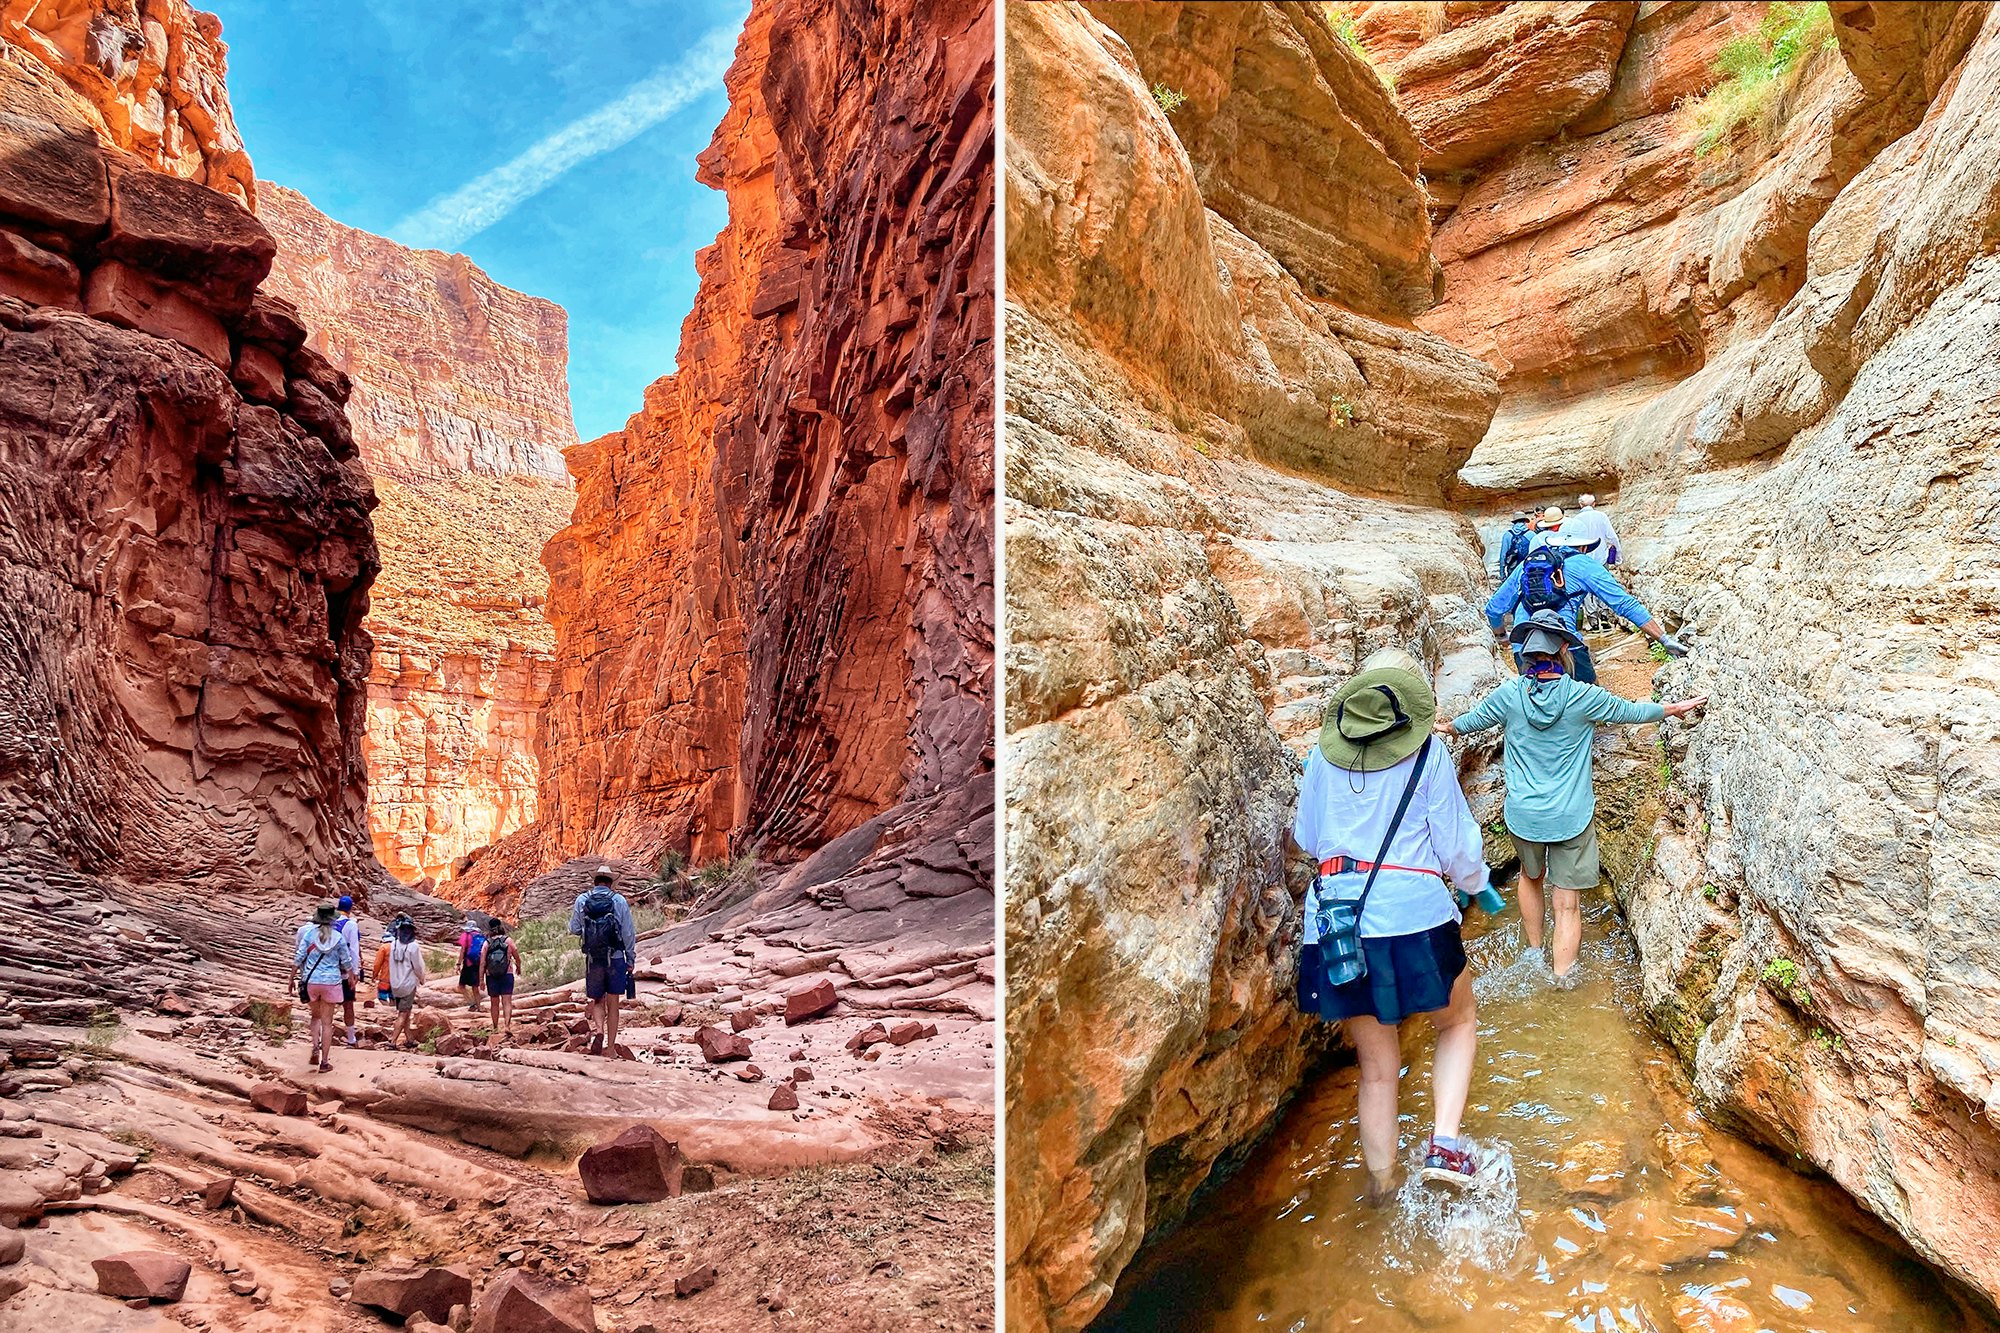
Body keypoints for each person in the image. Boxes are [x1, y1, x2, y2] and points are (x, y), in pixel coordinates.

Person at [1293, 650, 1491, 1199]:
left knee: (1376, 1067)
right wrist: (1477, 886)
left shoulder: (1319, 758)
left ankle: (1382, 1186)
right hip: (1413, 916)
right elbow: (1456, 849)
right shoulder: (1428, 755)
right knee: (1456, 1022)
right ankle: (1445, 1147)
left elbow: (1307, 839)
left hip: (1335, 922)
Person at [1438, 612, 1707, 983]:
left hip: (1524, 815)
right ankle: (1562, 979)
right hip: (1571, 817)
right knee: (1567, 904)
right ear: (1564, 648)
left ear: (1526, 655)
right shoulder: (1584, 697)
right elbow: (1630, 712)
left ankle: (1533, 955)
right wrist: (1674, 708)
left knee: (1531, 878)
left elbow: (1471, 721)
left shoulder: (1508, 697)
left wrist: (1447, 726)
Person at [1486, 538, 1685, 683]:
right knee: (1590, 706)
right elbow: (1624, 604)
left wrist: (1503, 639)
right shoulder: (1585, 564)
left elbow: (1494, 609)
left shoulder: (1527, 565)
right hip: (1565, 649)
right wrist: (1664, 639)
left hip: (1526, 649)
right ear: (1582, 547)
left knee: (1538, 710)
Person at [569, 866, 636, 1056]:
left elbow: (573, 928)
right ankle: (611, 1048)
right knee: (613, 1003)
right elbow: (628, 933)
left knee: (598, 999)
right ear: (611, 883)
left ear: (595, 881)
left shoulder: (582, 900)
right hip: (615, 957)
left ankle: (599, 1031)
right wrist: (630, 958)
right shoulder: (619, 900)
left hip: (593, 959)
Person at [291, 902, 357, 1073]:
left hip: (311, 980)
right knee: (327, 1023)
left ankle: (314, 1047)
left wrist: (291, 978)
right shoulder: (338, 937)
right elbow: (346, 960)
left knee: (315, 1016)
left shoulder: (309, 935)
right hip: (332, 982)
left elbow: (299, 956)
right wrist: (351, 977)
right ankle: (325, 1062)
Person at [382, 913, 426, 1049]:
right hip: (408, 984)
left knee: (406, 1011)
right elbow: (418, 966)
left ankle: (410, 1039)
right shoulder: (413, 946)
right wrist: (422, 978)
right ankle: (393, 1041)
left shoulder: (393, 944)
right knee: (403, 1013)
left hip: (395, 984)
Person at [483, 920, 520, 1039]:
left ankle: (495, 1028)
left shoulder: (487, 943)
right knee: (507, 1001)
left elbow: (482, 962)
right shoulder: (508, 940)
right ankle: (507, 1026)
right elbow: (516, 955)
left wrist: (480, 979)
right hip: (507, 974)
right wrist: (519, 966)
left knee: (494, 1003)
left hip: (491, 975)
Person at [1562, 493, 1620, 565]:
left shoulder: (1576, 519)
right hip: (1601, 558)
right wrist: (1618, 558)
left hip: (1584, 559)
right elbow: (1612, 537)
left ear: (1581, 505)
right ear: (1594, 504)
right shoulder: (1602, 516)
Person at [334, 895, 362, 1047]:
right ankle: (351, 1038)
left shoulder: (329, 921)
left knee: (326, 1005)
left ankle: (320, 1038)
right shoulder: (351, 925)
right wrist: (355, 972)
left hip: (329, 970)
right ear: (350, 909)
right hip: (344, 971)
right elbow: (354, 949)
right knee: (348, 1004)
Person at [455, 915, 486, 1009]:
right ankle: (478, 1006)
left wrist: (458, 964)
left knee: (461, 986)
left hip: (468, 963)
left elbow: (463, 950)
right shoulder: (480, 936)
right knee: (475, 987)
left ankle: (471, 1003)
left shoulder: (466, 935)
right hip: (477, 964)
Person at [1498, 512, 1532, 577]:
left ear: (1514, 522)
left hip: (1512, 570)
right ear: (1525, 521)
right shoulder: (1532, 534)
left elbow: (1503, 555)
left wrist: (1502, 573)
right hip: (1527, 569)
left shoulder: (1507, 535)